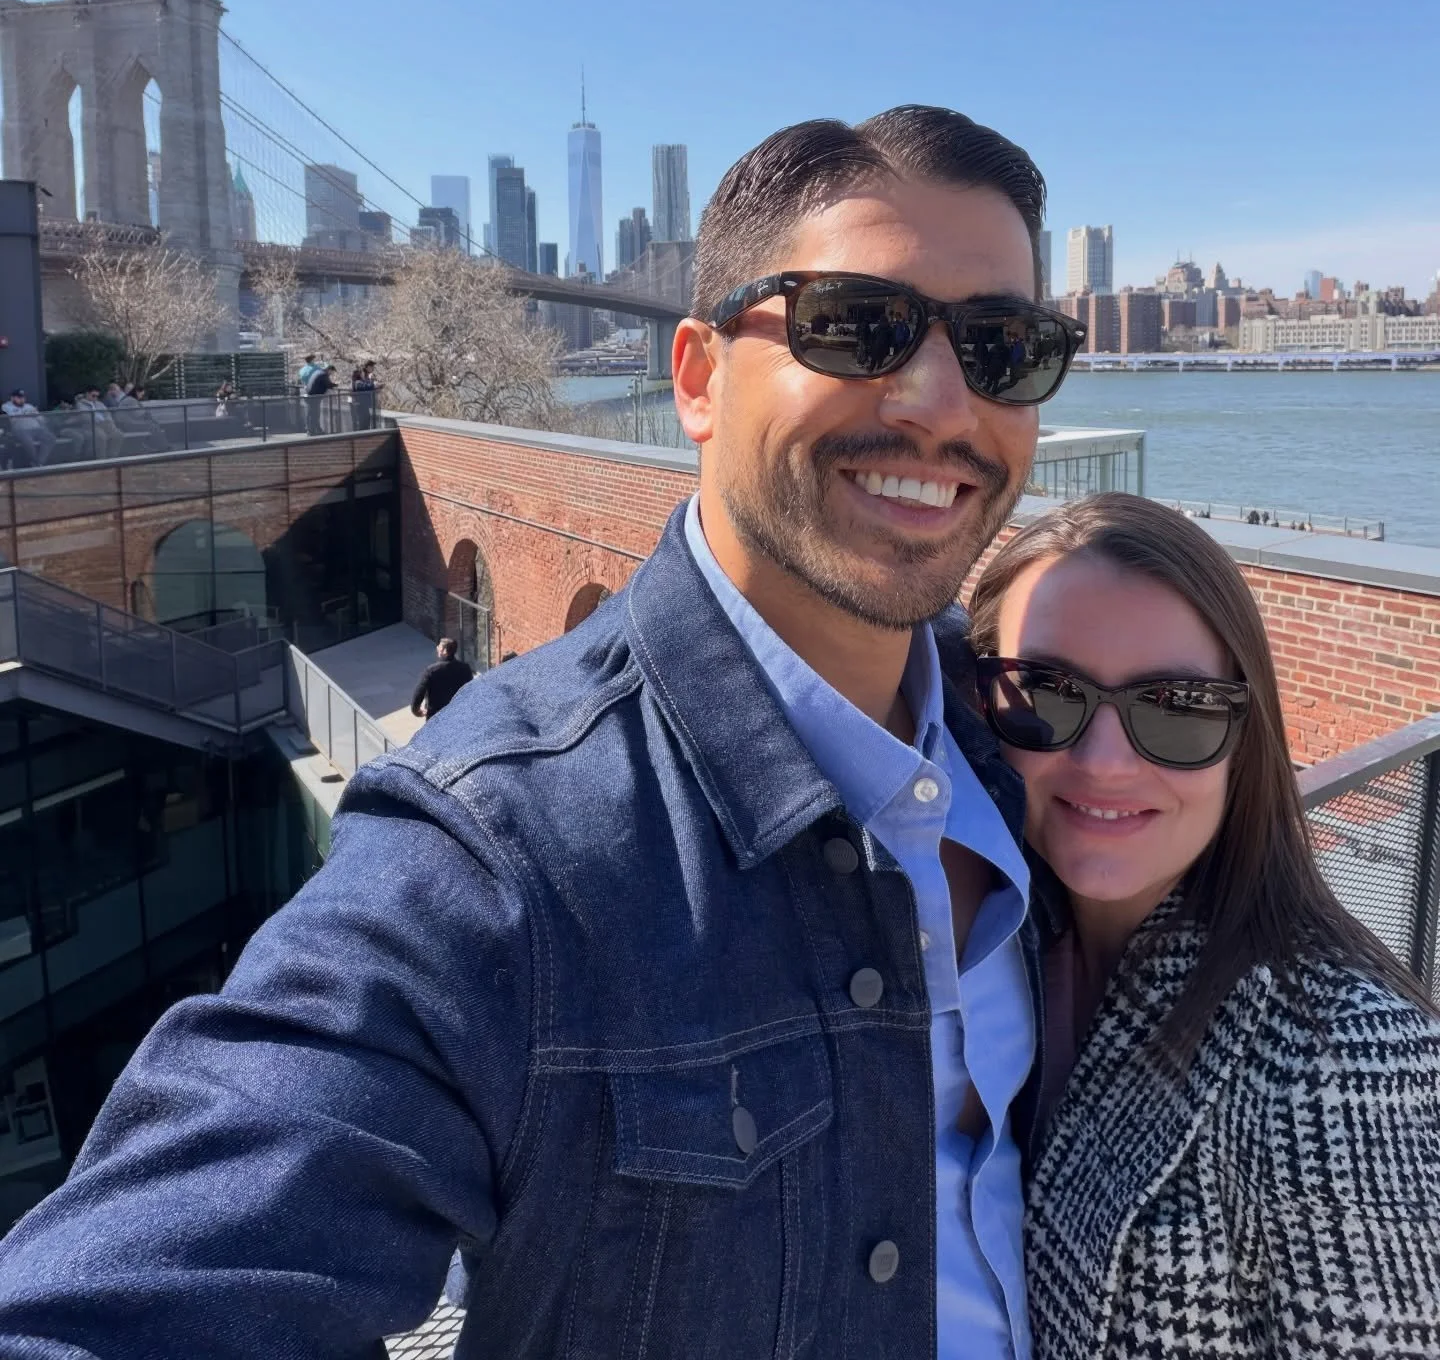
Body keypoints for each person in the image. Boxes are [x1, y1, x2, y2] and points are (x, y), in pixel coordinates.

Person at [0, 106, 1085, 1359]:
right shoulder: (495, 854)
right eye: (857, 325)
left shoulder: (1032, 737)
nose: (942, 401)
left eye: (1006, 347)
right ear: (695, 377)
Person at [966, 492, 1440, 1357]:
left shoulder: (1342, 1062)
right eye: (1045, 693)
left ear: (1244, 740)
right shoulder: (985, 951)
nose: (1103, 762)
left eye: (1178, 706)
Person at [408, 637, 475, 720]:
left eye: (439, 646)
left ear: (445, 651)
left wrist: (416, 710)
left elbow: (419, 692)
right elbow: (471, 690)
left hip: (436, 715)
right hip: (457, 714)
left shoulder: (432, 670)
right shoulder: (465, 668)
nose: (437, 648)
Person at [1, 389, 55, 467]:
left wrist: (36, 415)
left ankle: (39, 462)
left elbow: (42, 420)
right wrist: (25, 413)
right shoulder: (7, 406)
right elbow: (11, 420)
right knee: (28, 442)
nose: (22, 399)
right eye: (19, 397)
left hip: (36, 429)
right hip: (21, 430)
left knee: (50, 437)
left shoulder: (29, 406)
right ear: (12, 398)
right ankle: (35, 462)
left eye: (23, 397)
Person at [303, 362, 335, 436]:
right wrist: (336, 385)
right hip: (314, 397)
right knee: (315, 414)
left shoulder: (318, 372)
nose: (332, 374)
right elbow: (328, 384)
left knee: (311, 414)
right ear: (329, 370)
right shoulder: (324, 375)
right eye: (332, 372)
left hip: (310, 396)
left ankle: (312, 430)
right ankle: (313, 431)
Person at [351, 360, 379, 430]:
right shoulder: (358, 382)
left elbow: (368, 385)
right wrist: (373, 384)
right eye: (372, 367)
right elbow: (365, 386)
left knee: (366, 420)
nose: (373, 368)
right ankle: (362, 435)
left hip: (364, 403)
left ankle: (364, 433)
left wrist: (373, 383)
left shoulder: (363, 378)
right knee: (362, 422)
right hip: (360, 404)